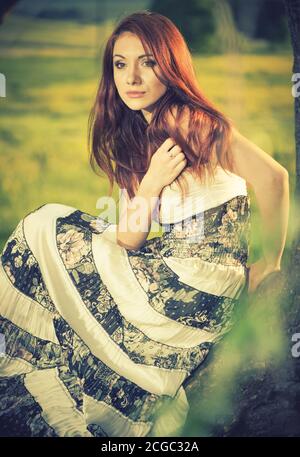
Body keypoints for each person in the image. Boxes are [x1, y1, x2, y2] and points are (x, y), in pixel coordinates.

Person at [0, 11, 289, 437]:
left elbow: (273, 177)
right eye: (121, 63)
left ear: (170, 67)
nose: (132, 77)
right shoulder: (136, 138)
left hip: (199, 281)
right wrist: (151, 181)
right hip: (175, 276)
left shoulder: (192, 121)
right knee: (52, 230)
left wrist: (268, 263)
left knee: (44, 224)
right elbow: (131, 239)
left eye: (148, 62)